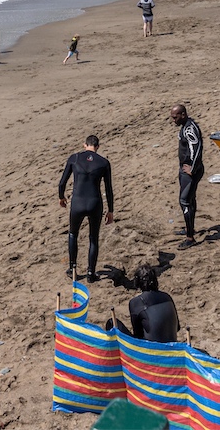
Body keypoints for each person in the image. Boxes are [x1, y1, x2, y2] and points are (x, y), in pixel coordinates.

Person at [58, 135, 114, 282]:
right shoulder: (104, 162)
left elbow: (62, 182)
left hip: (78, 202)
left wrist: (61, 197)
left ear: (84, 145)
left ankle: (73, 268)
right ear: (98, 147)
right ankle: (91, 273)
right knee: (93, 238)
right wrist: (110, 210)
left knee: (73, 234)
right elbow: (108, 189)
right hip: (95, 203)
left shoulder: (75, 158)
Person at [169, 104, 203, 249]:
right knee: (190, 199)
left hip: (190, 172)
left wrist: (192, 168)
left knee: (185, 202)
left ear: (183, 115)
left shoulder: (190, 129)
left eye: (175, 117)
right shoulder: (185, 126)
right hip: (185, 170)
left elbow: (197, 148)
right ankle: (190, 228)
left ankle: (190, 238)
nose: (173, 121)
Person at [119, 264, 180, 343]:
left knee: (112, 322)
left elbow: (138, 335)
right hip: (172, 346)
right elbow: (177, 328)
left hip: (151, 348)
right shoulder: (167, 297)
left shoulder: (136, 302)